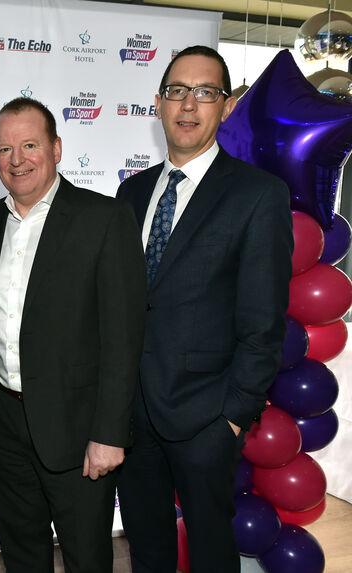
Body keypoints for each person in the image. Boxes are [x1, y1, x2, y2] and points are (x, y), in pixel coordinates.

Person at [115, 45, 293, 572]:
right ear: (158, 103)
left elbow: (263, 322)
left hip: (207, 417)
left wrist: (233, 419)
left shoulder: (258, 195)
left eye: (205, 92)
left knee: (212, 553)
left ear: (227, 106)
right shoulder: (131, 192)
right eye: (176, 91)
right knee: (147, 549)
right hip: (131, 415)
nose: (188, 104)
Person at [0, 97, 146, 572]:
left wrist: (109, 433)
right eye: (4, 149)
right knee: (21, 554)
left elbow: (123, 338)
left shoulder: (103, 219)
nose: (16, 159)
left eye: (29, 145)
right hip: (3, 422)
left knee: (86, 558)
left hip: (77, 428)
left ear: (56, 149)